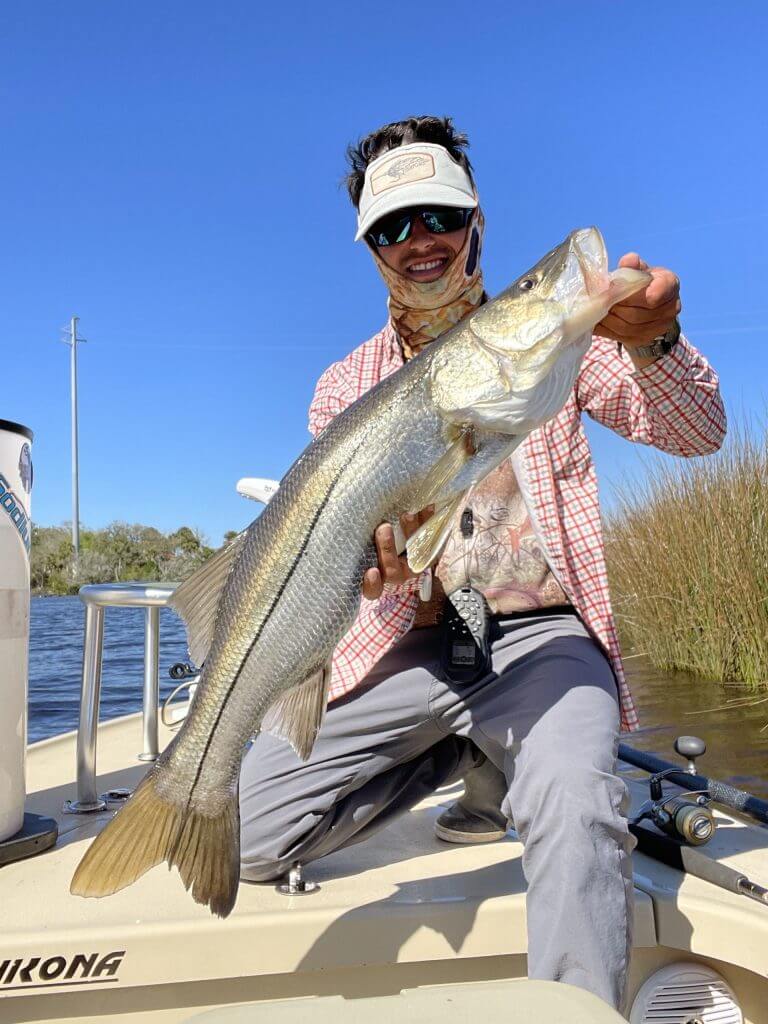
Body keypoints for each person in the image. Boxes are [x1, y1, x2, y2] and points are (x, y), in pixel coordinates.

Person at [238, 115, 726, 1010]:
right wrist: (369, 565)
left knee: (577, 809)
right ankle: (459, 751)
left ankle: (573, 1006)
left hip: (543, 640)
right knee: (246, 837)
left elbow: (698, 433)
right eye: (393, 227)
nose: (419, 240)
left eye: (440, 216)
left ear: (477, 224)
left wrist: (654, 339)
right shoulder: (343, 385)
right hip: (409, 642)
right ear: (370, 250)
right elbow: (355, 557)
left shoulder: (564, 335)